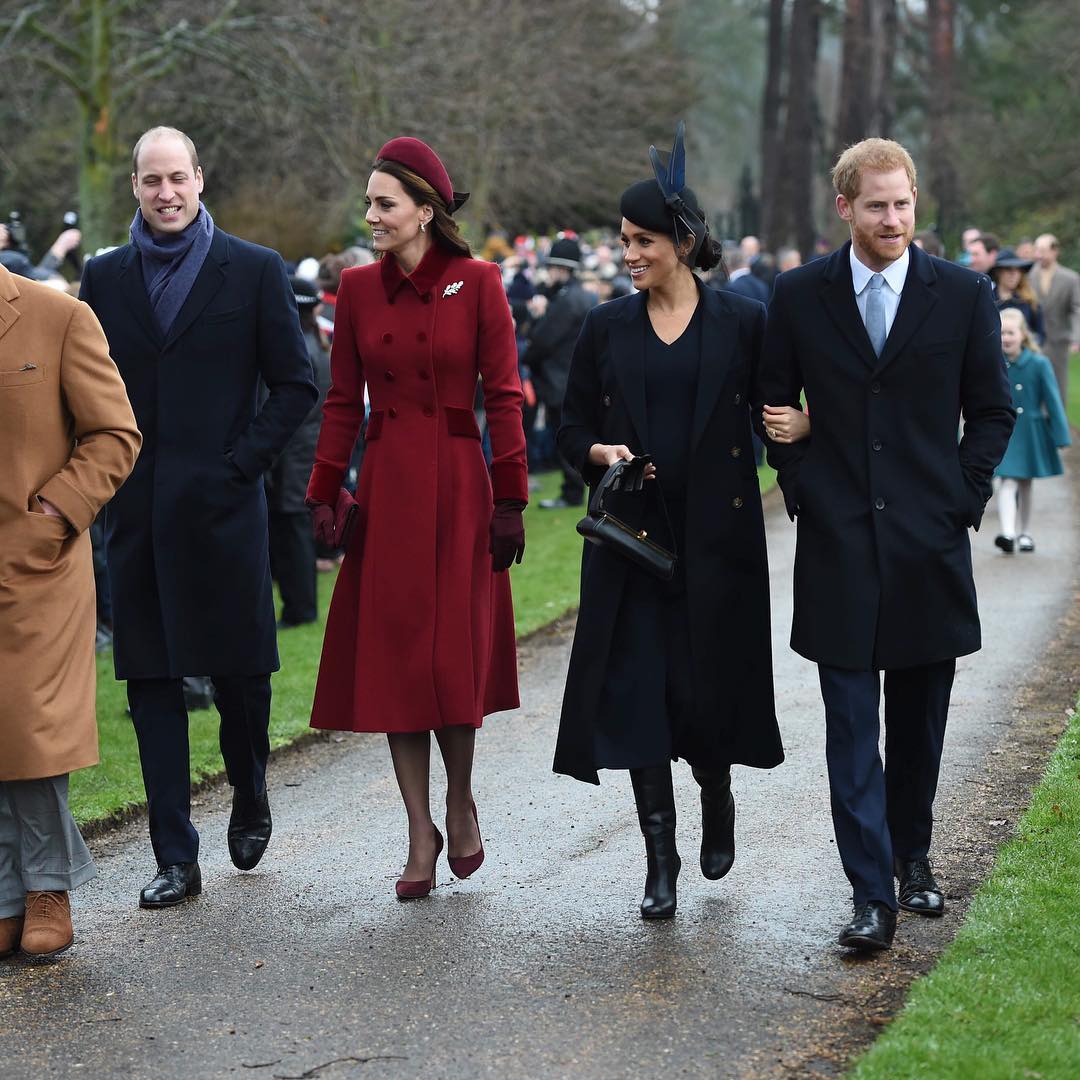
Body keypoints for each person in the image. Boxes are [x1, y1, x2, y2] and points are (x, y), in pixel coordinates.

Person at [755, 138, 1015, 952]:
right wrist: (805, 488)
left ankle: (914, 857)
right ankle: (870, 893)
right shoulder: (798, 296)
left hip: (927, 543)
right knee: (847, 724)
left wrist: (960, 503)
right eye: (877, 205)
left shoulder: (963, 296)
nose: (893, 218)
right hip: (838, 543)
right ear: (846, 208)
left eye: (902, 204)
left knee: (919, 721)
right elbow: (771, 406)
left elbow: (994, 411)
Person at [80, 126, 317, 908]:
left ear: (200, 179)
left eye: (177, 178)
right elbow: (85, 392)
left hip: (225, 512)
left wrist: (239, 466)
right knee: (150, 680)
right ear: (137, 189)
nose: (165, 193)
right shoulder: (105, 278)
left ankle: (251, 793)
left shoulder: (251, 270)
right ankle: (174, 854)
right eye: (152, 181)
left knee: (242, 679)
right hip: (139, 515)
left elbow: (294, 386)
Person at [554, 125, 785, 920]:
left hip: (717, 546)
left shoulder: (742, 324)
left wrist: (802, 446)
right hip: (632, 545)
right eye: (623, 240)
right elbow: (567, 426)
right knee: (638, 695)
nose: (628, 253)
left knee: (706, 692)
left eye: (642, 240)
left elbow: (771, 413)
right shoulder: (604, 327)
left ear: (683, 243)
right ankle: (661, 860)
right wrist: (597, 451)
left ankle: (715, 793)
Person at [305, 137, 527, 900]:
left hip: (463, 491)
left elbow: (504, 395)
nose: (370, 215)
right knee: (400, 660)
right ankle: (417, 832)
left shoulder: (480, 281)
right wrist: (325, 490)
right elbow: (341, 401)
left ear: (425, 211)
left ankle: (460, 804)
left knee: (450, 659)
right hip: (392, 487)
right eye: (369, 202)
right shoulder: (359, 290)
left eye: (383, 203)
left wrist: (512, 500)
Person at [0, 261, 141, 959]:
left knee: (30, 723)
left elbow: (115, 434)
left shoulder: (57, 316)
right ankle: (3, 893)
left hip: (35, 565)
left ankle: (46, 886)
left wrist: (50, 517)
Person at [267, 277, 332, 626]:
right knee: (295, 532)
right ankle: (299, 605)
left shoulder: (301, 349)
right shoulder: (314, 344)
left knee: (294, 534)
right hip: (306, 448)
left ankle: (300, 608)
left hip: (296, 451)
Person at [523, 236, 597, 509]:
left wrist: (526, 352)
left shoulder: (568, 300)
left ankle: (572, 494)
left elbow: (542, 340)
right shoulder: (578, 297)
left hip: (559, 380)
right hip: (568, 378)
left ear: (563, 269)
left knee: (566, 439)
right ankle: (573, 492)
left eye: (552, 266)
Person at [993, 308, 1071, 553]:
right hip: (1004, 433)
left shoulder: (1039, 363)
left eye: (1011, 333)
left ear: (1023, 335)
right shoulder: (992, 362)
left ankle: (1024, 533)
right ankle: (1007, 533)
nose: (1006, 338)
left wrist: (1060, 435)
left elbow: (1053, 400)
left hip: (1031, 432)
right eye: (1002, 332)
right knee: (1007, 481)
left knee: (1025, 484)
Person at [1030, 234, 1080, 401]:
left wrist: (1076, 338)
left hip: (1059, 342)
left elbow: (1077, 309)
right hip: (1033, 342)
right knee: (1033, 387)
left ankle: (1058, 426)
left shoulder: (1070, 278)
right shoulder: (1029, 276)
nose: (1038, 255)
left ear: (1055, 251)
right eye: (1036, 250)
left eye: (1043, 250)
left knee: (1058, 388)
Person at [990, 248, 1045, 343]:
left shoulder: (1028, 300)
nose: (1013, 274)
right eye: (1008, 269)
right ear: (998, 272)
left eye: (1018, 269)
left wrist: (1029, 350)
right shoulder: (988, 300)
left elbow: (1040, 334)